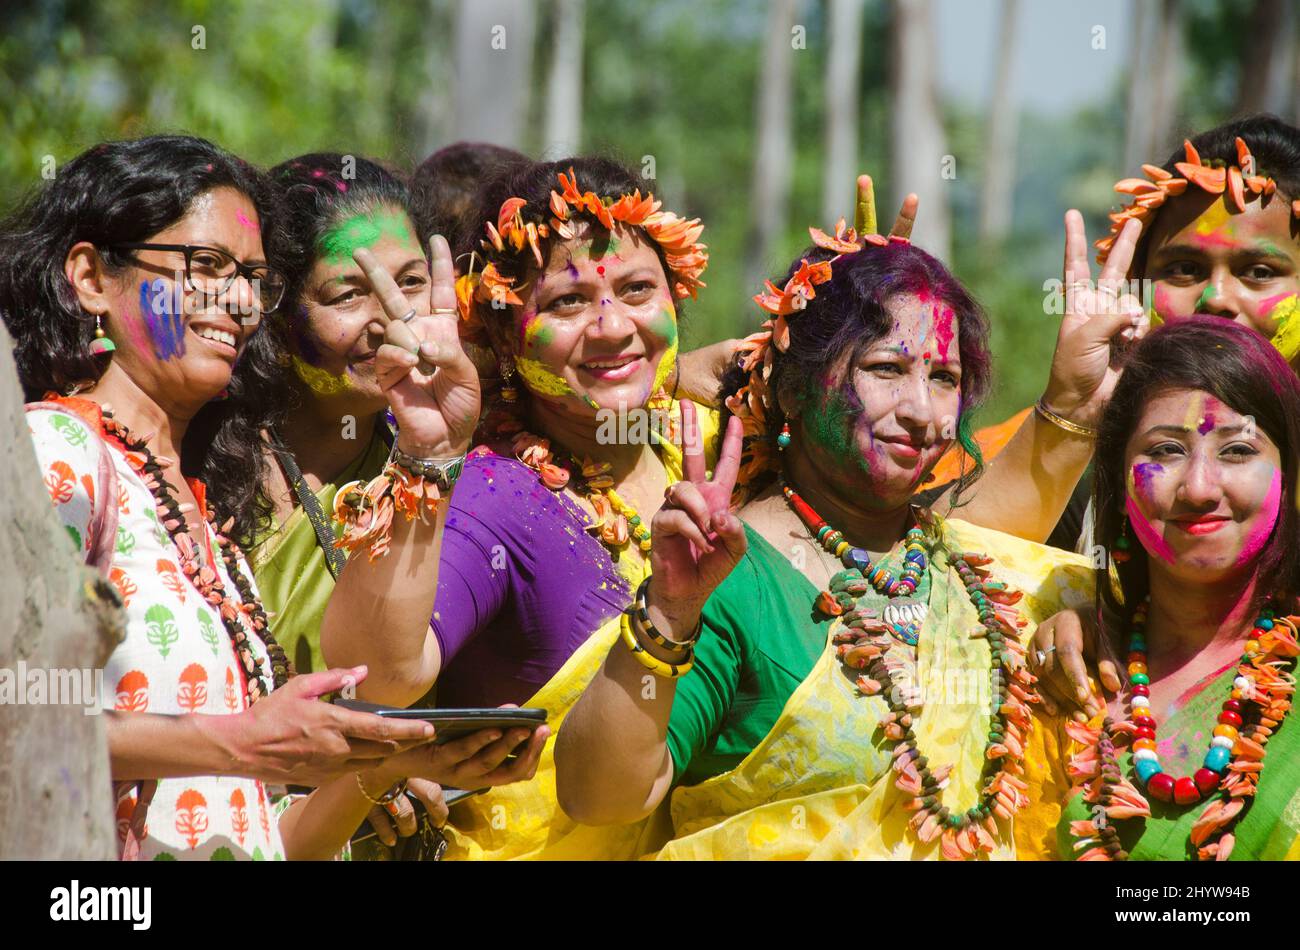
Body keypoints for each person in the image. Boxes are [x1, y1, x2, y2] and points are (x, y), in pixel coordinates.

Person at [2, 134, 539, 860]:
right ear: (91, 278)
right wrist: (244, 741)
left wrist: (383, 764)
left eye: (252, 277)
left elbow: (260, 836)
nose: (238, 301)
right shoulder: (59, 453)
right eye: (205, 266)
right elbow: (16, 721)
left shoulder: (200, 512)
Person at [554, 227, 1102, 859]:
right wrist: (669, 613)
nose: (922, 411)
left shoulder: (969, 563)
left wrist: (1081, 625)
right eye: (886, 369)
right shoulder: (727, 577)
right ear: (793, 387)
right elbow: (600, 798)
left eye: (945, 378)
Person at [1029, 114, 1300, 716]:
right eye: (1183, 270)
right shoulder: (1090, 456)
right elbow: (950, 581)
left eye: (1259, 271)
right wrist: (1079, 616)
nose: (1216, 299)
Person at [1018, 320, 1300, 861]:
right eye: (1166, 450)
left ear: (1289, 477)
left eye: (1237, 450)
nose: (1198, 488)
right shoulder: (1067, 676)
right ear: (1118, 482)